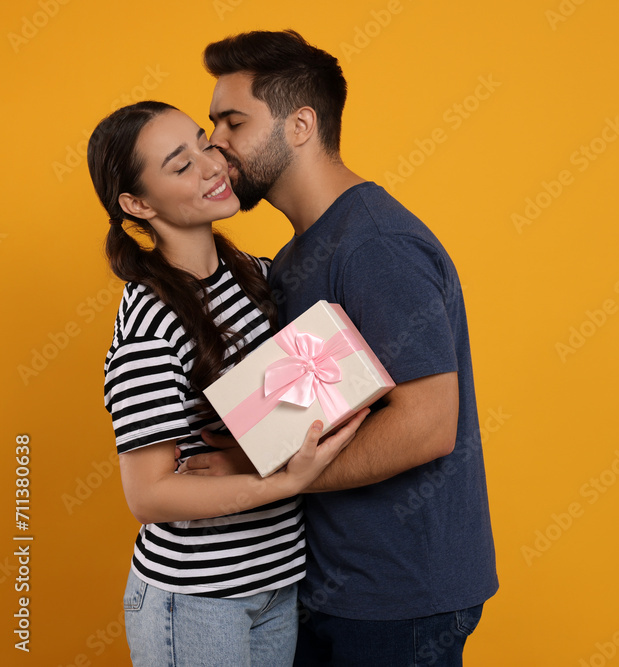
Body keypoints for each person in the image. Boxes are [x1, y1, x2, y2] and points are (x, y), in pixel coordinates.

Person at [180, 30, 499, 665]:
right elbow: (315, 407)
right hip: (330, 586)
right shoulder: (297, 255)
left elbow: (428, 425)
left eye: (232, 121)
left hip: (399, 597)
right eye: (212, 121)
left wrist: (262, 475)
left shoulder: (374, 244)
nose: (214, 141)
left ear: (300, 125)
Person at [90, 100, 368, 666]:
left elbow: (303, 403)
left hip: (276, 583)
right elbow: (149, 495)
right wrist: (284, 483)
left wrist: (260, 458)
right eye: (179, 164)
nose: (212, 164)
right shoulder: (151, 326)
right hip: (196, 602)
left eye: (202, 142)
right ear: (137, 204)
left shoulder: (257, 275)